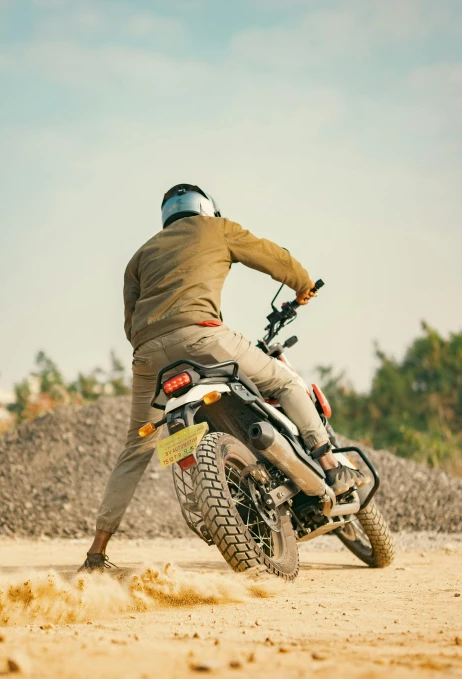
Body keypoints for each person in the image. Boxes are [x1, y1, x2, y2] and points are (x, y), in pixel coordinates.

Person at [80, 184, 366, 571]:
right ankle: (332, 465)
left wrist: (155, 344)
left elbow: (130, 322)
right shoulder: (216, 228)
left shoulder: (139, 255)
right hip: (206, 338)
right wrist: (301, 284)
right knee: (284, 382)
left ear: (166, 216)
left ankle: (97, 551)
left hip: (148, 358)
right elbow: (270, 256)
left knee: (137, 447)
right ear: (206, 209)